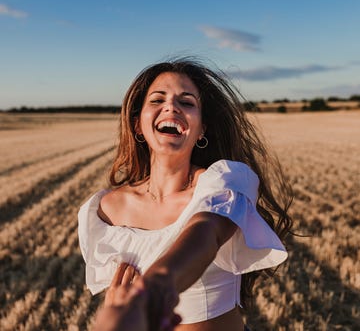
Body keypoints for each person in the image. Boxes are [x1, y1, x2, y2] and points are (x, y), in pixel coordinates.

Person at [78, 57, 293, 331]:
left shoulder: (225, 183)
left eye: (187, 102)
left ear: (202, 128)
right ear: (137, 125)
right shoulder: (105, 210)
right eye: (157, 100)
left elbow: (205, 236)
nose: (171, 106)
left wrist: (148, 296)